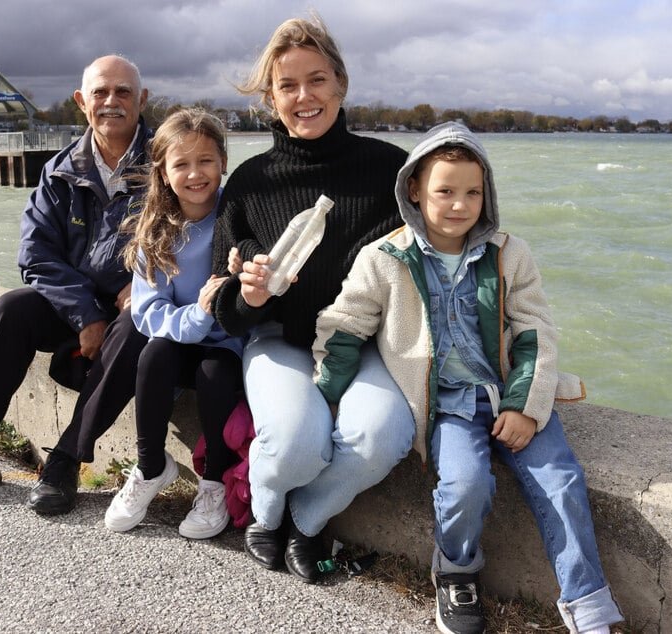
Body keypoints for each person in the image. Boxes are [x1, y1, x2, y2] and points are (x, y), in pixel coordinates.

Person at [312, 121, 625, 634]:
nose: (459, 204)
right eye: (445, 191)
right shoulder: (384, 258)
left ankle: (588, 606)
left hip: (510, 393)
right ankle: (456, 572)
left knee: (562, 482)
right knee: (465, 485)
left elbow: (535, 332)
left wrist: (524, 406)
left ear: (487, 193)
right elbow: (345, 326)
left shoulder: (509, 253)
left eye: (473, 192)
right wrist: (326, 394)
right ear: (414, 189)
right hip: (448, 406)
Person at [210, 14, 414, 584]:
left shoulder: (392, 170)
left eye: (317, 80)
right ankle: (264, 512)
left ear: (341, 85)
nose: (305, 96)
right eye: (288, 85)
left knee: (381, 435)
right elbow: (222, 306)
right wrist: (249, 295)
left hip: (364, 340)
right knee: (299, 443)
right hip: (282, 338)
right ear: (270, 99)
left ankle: (306, 517)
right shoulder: (250, 183)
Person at [0, 54, 153, 516]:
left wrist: (147, 279)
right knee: (12, 308)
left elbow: (196, 228)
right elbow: (36, 255)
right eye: (100, 92)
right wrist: (86, 314)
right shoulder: (60, 170)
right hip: (79, 304)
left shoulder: (168, 162)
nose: (111, 102)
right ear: (82, 102)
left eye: (123, 92)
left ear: (142, 99)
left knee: (135, 322)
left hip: (138, 305)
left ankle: (65, 459)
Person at [103, 108, 244, 539]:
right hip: (182, 335)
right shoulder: (158, 231)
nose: (195, 173)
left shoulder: (237, 217)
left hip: (228, 345)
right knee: (155, 353)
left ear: (223, 161)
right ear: (163, 172)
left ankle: (214, 482)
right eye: (181, 164)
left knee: (215, 371)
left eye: (205, 161)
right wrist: (197, 316)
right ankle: (150, 467)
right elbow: (147, 312)